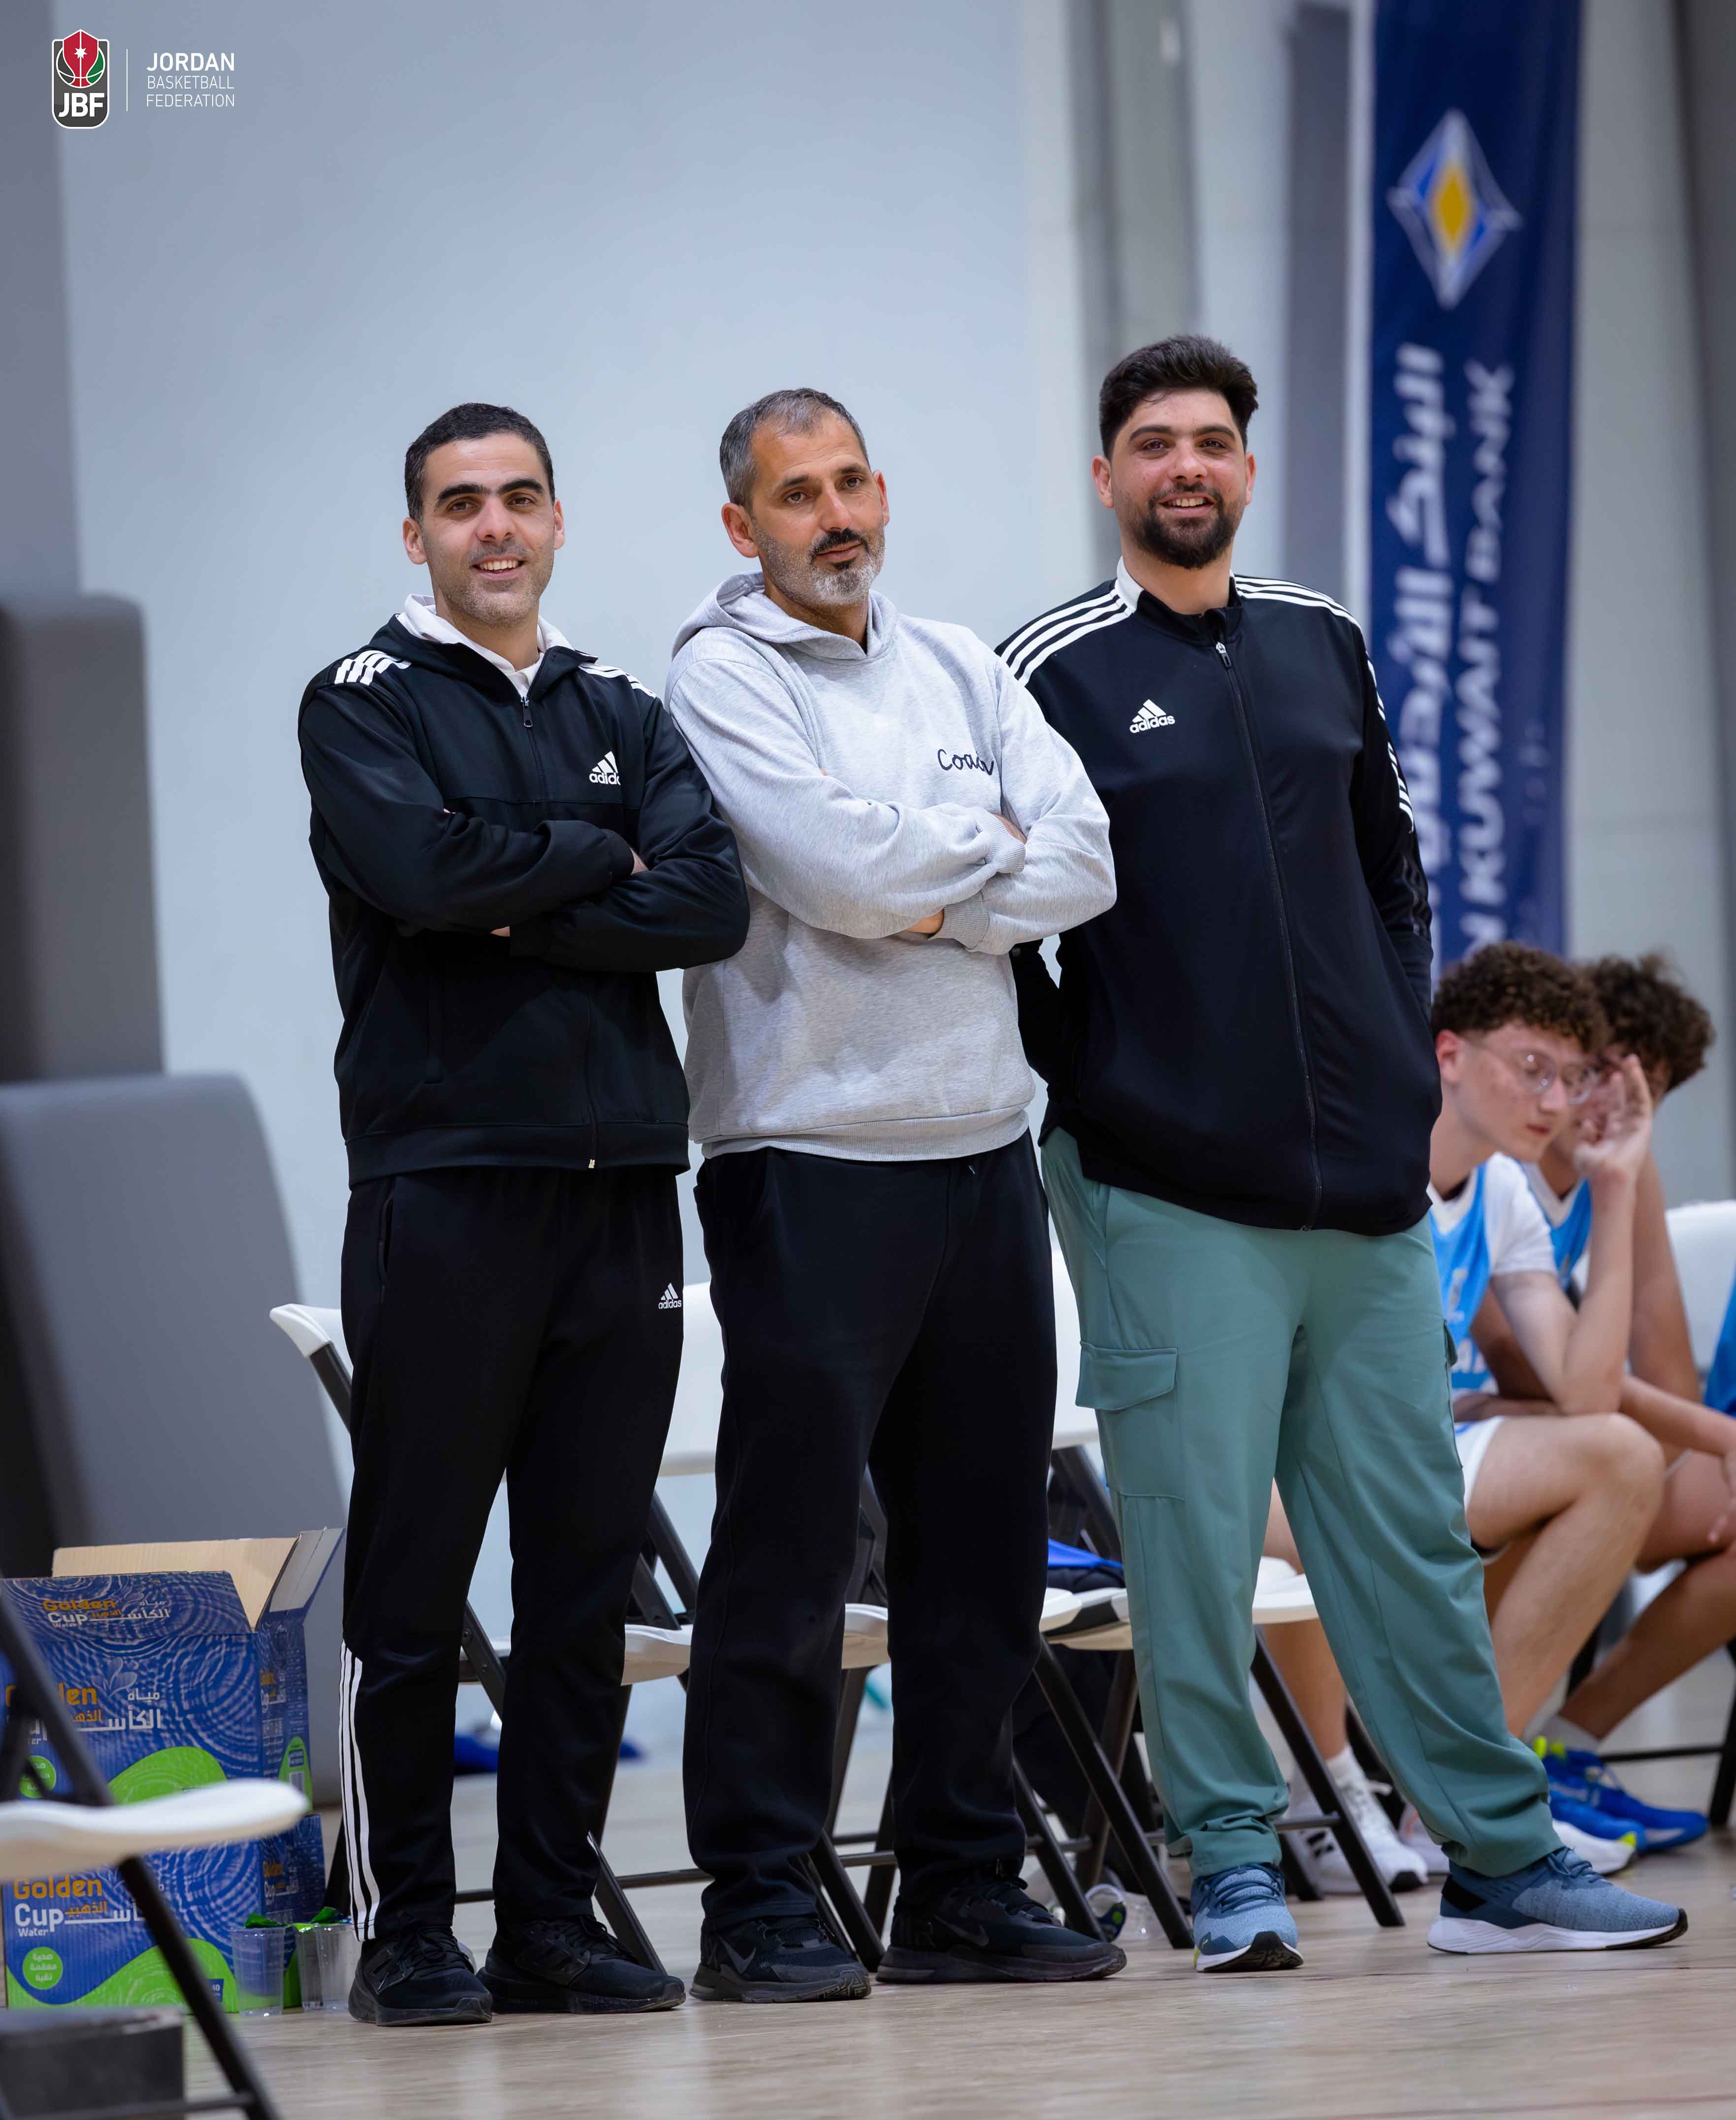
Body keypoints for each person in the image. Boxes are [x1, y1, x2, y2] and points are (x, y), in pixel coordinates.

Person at [1008, 334, 1685, 1968]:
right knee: (1193, 1540)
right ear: (1104, 476)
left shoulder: (1323, 638)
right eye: (1152, 443)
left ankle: (1499, 1860)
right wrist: (1102, 1080)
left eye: (1209, 441)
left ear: (1245, 467)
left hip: (1360, 1185)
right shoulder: (1048, 668)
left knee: (1407, 1539)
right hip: (1166, 1188)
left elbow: (1392, 868)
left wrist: (1392, 1066)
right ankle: (1231, 1862)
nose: (1184, 466)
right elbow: (1010, 922)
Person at [666, 386, 1120, 2002]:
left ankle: (957, 1883)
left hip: (980, 1151)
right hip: (807, 1158)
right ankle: (759, 1897)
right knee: (790, 1553)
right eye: (797, 493)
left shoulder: (958, 663)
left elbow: (1086, 857)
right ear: (744, 525)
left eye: (851, 480)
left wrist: (924, 880)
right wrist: (977, 859)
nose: (835, 514)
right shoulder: (718, 673)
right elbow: (830, 871)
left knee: (981, 1552)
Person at [298, 402, 748, 2025]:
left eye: (519, 496)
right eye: (459, 502)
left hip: (620, 1191)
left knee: (581, 1585)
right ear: (414, 533)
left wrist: (519, 887)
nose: (493, 524)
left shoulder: (621, 702)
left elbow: (709, 900)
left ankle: (549, 1922)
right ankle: (408, 1931)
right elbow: (419, 878)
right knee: (416, 1584)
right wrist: (597, 857)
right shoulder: (361, 698)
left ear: (556, 519)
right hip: (445, 1187)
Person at [1266, 942, 1705, 1872]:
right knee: (1322, 1479)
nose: (1554, 1100)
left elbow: (1584, 1393)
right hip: (1279, 1454)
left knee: (1619, 1455)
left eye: (1568, 1076)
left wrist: (1617, 1188)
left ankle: (1469, 1797)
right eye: (1533, 1068)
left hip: (1414, 1449)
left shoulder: (1502, 1187)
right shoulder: (1355, 1149)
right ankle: (1329, 1797)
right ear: (1449, 1055)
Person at [1458, 951, 1734, 1848]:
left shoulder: (1616, 1169)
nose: (1612, 1104)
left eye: (1645, 1090)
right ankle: (1476, 1781)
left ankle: (1565, 1749)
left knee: (1627, 1461)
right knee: (1598, 1456)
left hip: (1543, 1434)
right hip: (1473, 1443)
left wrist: (1693, 1444)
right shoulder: (1492, 1158)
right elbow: (1532, 1374)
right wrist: (1710, 1435)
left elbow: (1656, 1373)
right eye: (1597, 1074)